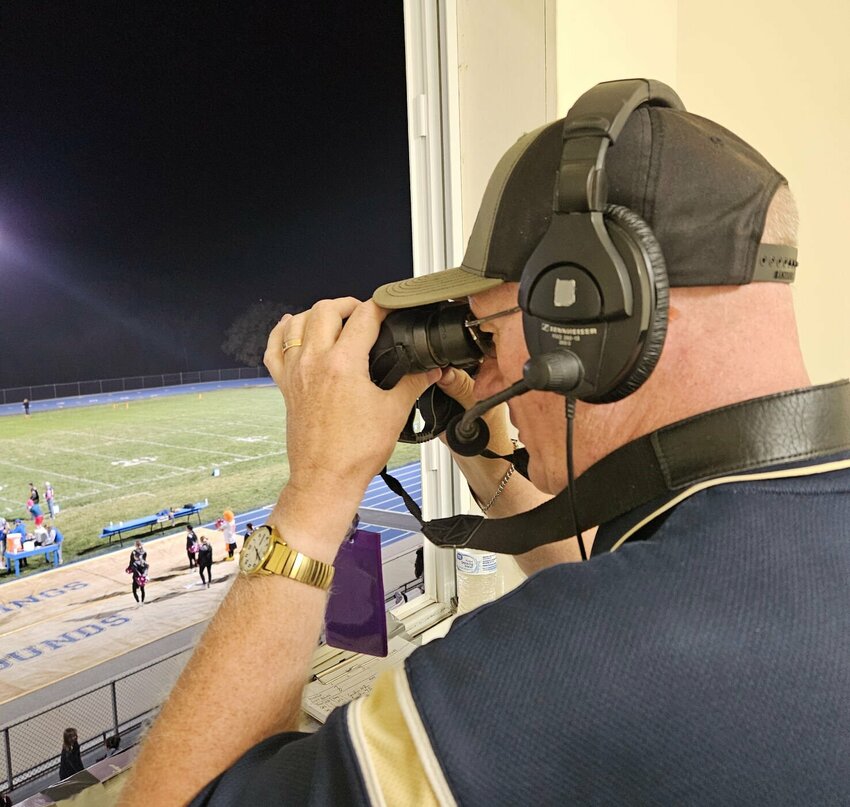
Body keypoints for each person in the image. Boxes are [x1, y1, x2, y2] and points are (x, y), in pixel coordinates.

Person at [120, 80, 850, 805]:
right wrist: (480, 454)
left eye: (489, 331)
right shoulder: (775, 527)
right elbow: (635, 593)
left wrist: (316, 489)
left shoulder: (560, 668)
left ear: (594, 310)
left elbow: (174, 798)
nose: (488, 369)